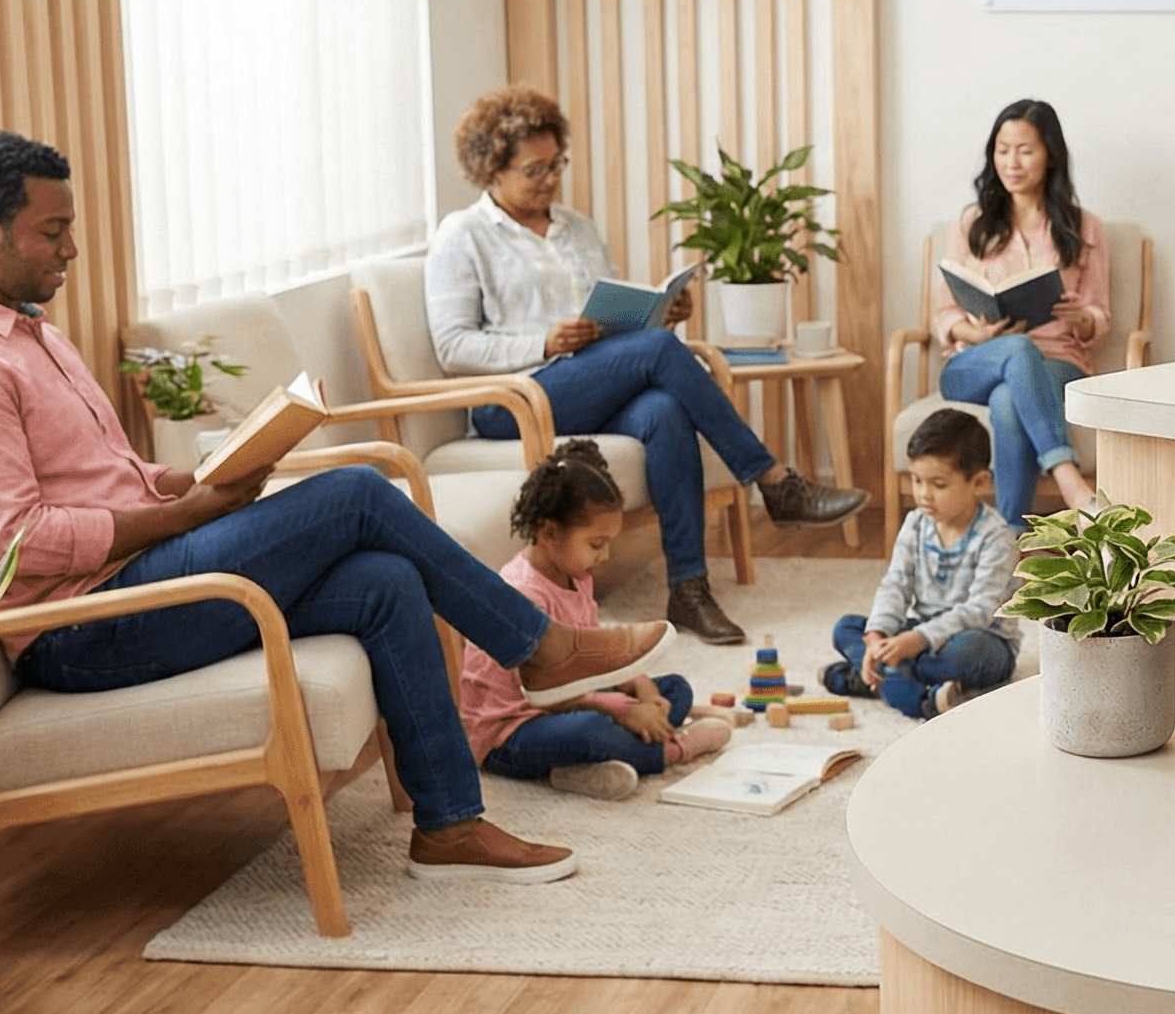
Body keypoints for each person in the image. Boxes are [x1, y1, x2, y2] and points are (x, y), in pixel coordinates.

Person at [0, 132, 671, 883]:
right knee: (359, 495)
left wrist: (182, 482)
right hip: (83, 629)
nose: (71, 250)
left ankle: (449, 826)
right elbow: (21, 540)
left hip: (136, 581)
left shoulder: (30, 334)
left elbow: (100, 478)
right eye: (52, 232)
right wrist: (190, 513)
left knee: (382, 578)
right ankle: (537, 645)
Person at [426, 86, 867, 646]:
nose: (548, 179)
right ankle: (773, 480)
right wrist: (543, 341)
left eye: (555, 165)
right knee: (658, 356)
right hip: (514, 400)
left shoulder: (576, 226)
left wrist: (658, 314)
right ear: (490, 167)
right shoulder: (460, 237)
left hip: (589, 382)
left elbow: (611, 315)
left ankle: (688, 589)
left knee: (663, 409)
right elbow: (453, 346)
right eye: (532, 169)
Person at [459, 440, 730, 800]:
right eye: (596, 544)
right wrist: (621, 710)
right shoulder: (522, 594)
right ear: (548, 532)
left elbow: (591, 650)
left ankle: (578, 769)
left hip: (570, 699)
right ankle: (671, 751)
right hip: (511, 731)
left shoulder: (577, 576)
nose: (604, 557)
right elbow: (541, 695)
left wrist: (639, 686)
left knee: (676, 689)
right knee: (590, 729)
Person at [932, 98, 1108, 526]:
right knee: (1014, 348)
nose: (1011, 162)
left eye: (1025, 150)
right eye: (1002, 149)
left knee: (1009, 397)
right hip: (973, 364)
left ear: (1050, 154)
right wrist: (976, 333)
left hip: (1058, 364)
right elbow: (943, 312)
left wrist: (1080, 317)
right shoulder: (971, 223)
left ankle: (1010, 539)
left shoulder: (1084, 227)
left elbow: (1101, 317)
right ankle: (1068, 478)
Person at [826, 409, 1019, 720]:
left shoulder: (997, 537)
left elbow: (979, 612)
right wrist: (878, 634)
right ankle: (909, 685)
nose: (923, 494)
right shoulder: (916, 523)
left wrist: (915, 641)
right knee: (846, 627)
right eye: (916, 480)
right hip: (919, 635)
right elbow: (896, 584)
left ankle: (878, 677)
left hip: (980, 639)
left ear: (979, 482)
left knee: (969, 650)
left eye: (938, 484)